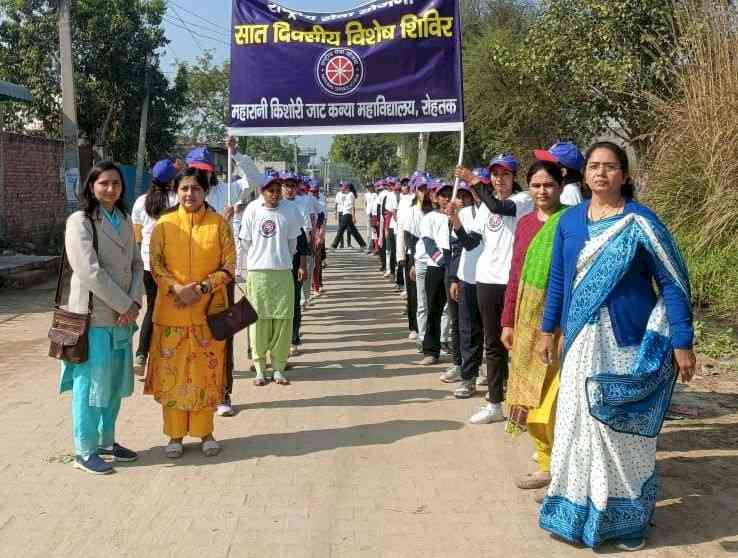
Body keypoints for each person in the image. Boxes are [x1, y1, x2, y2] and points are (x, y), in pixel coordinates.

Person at [536, 142, 695, 551]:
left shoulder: (641, 222)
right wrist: (546, 329)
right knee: (577, 425)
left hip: (627, 343)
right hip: (580, 340)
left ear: (624, 175)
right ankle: (575, 515)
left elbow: (674, 283)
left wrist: (682, 341)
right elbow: (558, 282)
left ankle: (627, 522)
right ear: (583, 174)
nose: (601, 174)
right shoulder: (570, 222)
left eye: (610, 167)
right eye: (594, 166)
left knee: (620, 431)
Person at [144, 167, 235, 459]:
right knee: (172, 375)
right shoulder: (164, 224)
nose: (189, 194)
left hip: (208, 314)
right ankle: (174, 435)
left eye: (195, 189)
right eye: (184, 189)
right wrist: (176, 288)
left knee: (205, 375)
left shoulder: (219, 224)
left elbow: (230, 266)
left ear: (205, 192)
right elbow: (155, 265)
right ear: (176, 191)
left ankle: (206, 432)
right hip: (171, 314)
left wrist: (203, 287)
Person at [60, 161, 144, 475]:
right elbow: (89, 272)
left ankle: (107, 442)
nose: (110, 189)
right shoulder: (80, 221)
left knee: (114, 384)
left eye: (116, 184)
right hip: (94, 317)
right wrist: (125, 304)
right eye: (104, 183)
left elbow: (137, 264)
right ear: (91, 186)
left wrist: (134, 301)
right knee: (89, 386)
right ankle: (84, 450)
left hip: (123, 317)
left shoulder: (123, 218)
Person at [492, 161, 566, 492]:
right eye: (536, 185)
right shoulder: (523, 225)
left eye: (548, 185)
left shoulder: (573, 222)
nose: (542, 191)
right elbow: (514, 273)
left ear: (561, 187)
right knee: (527, 389)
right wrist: (508, 320)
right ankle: (544, 459)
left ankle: (560, 463)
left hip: (561, 317)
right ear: (528, 188)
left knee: (555, 391)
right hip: (526, 316)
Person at [454, 154, 534, 424]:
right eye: (495, 175)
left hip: (513, 281)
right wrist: (455, 221)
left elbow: (502, 209)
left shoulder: (523, 201)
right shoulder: (487, 205)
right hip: (486, 279)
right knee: (493, 343)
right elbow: (470, 242)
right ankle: (495, 403)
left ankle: (523, 405)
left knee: (519, 344)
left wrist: (474, 181)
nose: (500, 179)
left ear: (514, 177)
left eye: (505, 174)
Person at [185, 146, 238, 417]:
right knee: (190, 340)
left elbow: (254, 180)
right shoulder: (181, 196)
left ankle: (223, 393)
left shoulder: (225, 192)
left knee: (221, 336)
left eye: (203, 172)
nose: (198, 177)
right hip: (188, 283)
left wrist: (237, 154)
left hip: (219, 281)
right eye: (193, 171)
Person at [240, 173, 302, 386]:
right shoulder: (252, 210)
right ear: (261, 192)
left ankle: (278, 368)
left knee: (283, 320)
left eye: (277, 190)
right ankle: (259, 368)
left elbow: (293, 244)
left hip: (283, 272)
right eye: (270, 191)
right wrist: (246, 269)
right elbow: (245, 243)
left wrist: (282, 258)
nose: (275, 194)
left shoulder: (290, 210)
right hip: (258, 273)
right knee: (259, 320)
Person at [131, 158, 178, 375]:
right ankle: (167, 356)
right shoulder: (176, 200)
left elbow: (137, 235)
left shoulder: (141, 201)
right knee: (172, 310)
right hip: (172, 265)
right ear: (172, 181)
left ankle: (142, 354)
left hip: (148, 264)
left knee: (152, 308)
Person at [445, 168, 488, 397]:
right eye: (472, 186)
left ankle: (494, 375)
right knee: (468, 329)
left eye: (479, 185)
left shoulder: (502, 211)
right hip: (468, 277)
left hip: (493, 278)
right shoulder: (464, 212)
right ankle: (468, 377)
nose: (475, 190)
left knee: (492, 331)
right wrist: (454, 278)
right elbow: (460, 247)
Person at [442, 181, 476, 388]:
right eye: (459, 196)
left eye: (467, 196)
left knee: (474, 326)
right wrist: (454, 277)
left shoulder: (479, 214)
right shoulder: (453, 219)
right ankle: (459, 363)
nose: (462, 200)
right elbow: (453, 250)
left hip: (476, 276)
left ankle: (474, 367)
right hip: (456, 274)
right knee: (459, 323)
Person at [420, 181, 453, 365]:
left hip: (456, 268)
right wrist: (443, 261)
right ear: (436, 198)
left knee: (456, 312)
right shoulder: (430, 218)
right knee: (434, 308)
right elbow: (429, 244)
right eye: (443, 195)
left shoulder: (459, 216)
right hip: (436, 267)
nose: (447, 198)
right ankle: (431, 350)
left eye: (450, 194)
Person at [533, 141, 585, 206]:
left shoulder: (569, 192)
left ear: (563, 171)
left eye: (549, 164)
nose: (545, 167)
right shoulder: (564, 190)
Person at [332, 182, 366, 250]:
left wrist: (353, 216)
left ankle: (334, 245)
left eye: (344, 188)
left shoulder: (350, 194)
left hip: (347, 213)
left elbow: (351, 206)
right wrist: (336, 213)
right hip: (343, 213)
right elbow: (338, 204)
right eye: (342, 188)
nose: (342, 189)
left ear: (347, 188)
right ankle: (363, 244)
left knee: (341, 230)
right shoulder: (343, 194)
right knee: (353, 230)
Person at [363, 183, 377, 255]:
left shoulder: (375, 194)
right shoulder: (366, 195)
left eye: (370, 187)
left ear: (372, 187)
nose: (368, 188)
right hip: (368, 214)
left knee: (373, 231)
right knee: (368, 232)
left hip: (373, 214)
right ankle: (369, 247)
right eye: (367, 187)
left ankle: (373, 247)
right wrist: (366, 211)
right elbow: (365, 203)